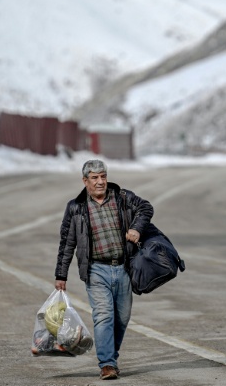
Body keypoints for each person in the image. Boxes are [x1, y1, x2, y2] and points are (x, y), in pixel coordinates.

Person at [54, 159, 155, 380]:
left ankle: (112, 357)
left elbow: (146, 207)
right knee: (103, 316)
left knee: (122, 318)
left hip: (123, 268)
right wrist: (61, 274)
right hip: (96, 270)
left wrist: (137, 229)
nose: (100, 182)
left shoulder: (122, 197)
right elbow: (67, 243)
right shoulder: (76, 207)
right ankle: (107, 364)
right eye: (95, 178)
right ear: (85, 181)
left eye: (103, 176)